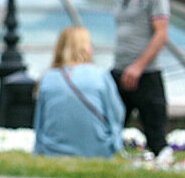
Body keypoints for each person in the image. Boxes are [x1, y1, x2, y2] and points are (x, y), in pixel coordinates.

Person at [109, 0, 170, 156]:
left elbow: (161, 34)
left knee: (155, 135)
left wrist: (138, 66)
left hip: (146, 74)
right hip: (119, 71)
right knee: (112, 127)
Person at [33, 27, 125, 157]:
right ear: (86, 48)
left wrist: (38, 150)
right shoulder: (100, 76)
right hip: (97, 150)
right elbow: (116, 114)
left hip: (53, 151)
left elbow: (40, 122)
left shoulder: (47, 78)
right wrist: (116, 145)